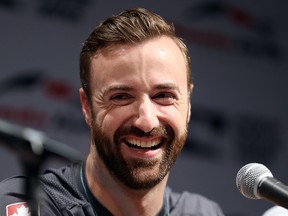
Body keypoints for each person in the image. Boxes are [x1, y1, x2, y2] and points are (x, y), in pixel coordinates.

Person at [0, 8, 225, 216]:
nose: (146, 121)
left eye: (164, 96)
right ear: (87, 106)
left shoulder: (202, 211)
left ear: (188, 105)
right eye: (121, 97)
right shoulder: (30, 203)